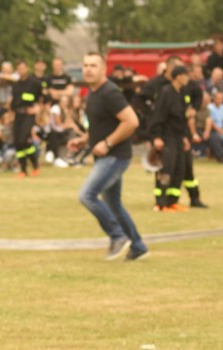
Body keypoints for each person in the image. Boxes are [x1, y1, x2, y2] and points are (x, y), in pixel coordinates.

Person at [69, 53, 148, 262]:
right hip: (106, 155)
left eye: (93, 66)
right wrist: (84, 140)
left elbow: (131, 122)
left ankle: (117, 235)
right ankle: (138, 246)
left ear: (103, 69)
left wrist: (108, 143)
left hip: (115, 156)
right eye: (85, 65)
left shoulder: (110, 92)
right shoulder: (92, 93)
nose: (88, 69)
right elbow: (101, 125)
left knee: (87, 195)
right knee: (113, 204)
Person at [149, 65, 192, 212]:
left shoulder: (181, 93)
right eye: (185, 75)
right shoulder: (166, 92)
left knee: (179, 169)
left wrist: (186, 137)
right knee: (166, 170)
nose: (187, 78)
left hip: (178, 136)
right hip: (167, 137)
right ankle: (160, 203)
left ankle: (172, 201)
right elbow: (158, 115)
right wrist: (157, 136)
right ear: (178, 76)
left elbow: (182, 118)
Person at [11, 61, 42, 178]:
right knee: (17, 143)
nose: (21, 70)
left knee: (23, 140)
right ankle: (23, 170)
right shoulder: (16, 85)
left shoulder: (34, 83)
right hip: (18, 115)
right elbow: (14, 102)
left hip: (29, 115)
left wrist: (38, 109)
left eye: (23, 68)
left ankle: (35, 165)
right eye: (19, 68)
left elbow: (43, 98)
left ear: (27, 69)